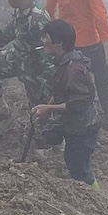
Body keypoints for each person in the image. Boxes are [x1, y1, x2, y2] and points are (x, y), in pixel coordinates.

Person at [32, 20, 99, 186]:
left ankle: (96, 196)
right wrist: (47, 107)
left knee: (79, 169)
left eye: (46, 37)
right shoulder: (63, 63)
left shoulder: (72, 70)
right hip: (76, 125)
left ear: (59, 42)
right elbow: (61, 92)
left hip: (83, 128)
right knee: (72, 161)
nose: (43, 41)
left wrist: (48, 108)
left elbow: (77, 104)